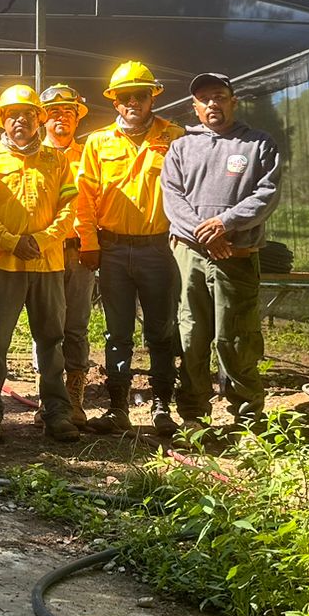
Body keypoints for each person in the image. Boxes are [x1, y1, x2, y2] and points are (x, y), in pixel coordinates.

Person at [160, 72, 282, 432]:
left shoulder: (259, 144)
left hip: (238, 255)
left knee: (237, 337)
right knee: (192, 335)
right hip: (191, 256)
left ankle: (247, 419)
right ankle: (194, 416)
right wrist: (206, 235)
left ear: (233, 101)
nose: (212, 103)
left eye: (219, 96)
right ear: (195, 108)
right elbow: (173, 198)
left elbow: (267, 194)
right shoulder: (181, 147)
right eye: (204, 99)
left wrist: (225, 224)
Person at [74, 61, 185, 437]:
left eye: (141, 94)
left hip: (159, 249)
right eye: (125, 97)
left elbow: (188, 191)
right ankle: (117, 407)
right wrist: (88, 243)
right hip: (114, 251)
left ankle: (162, 407)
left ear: (152, 96)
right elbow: (83, 198)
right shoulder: (98, 142)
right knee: (117, 333)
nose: (133, 102)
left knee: (161, 330)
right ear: (116, 102)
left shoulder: (175, 137)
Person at [0, 84, 81, 444]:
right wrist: (12, 242)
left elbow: (69, 210)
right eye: (12, 114)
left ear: (40, 118)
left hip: (48, 265)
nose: (20, 120)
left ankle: (56, 412)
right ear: (1, 119)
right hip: (3, 265)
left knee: (52, 341)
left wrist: (43, 240)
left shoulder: (57, 160)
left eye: (28, 114)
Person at [39, 83, 96, 429]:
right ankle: (49, 398)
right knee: (47, 328)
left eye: (69, 113)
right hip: (44, 251)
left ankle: (74, 400)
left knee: (76, 325)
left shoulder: (89, 154)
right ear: (43, 119)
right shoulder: (33, 156)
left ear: (77, 119)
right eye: (54, 113)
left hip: (78, 250)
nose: (62, 119)